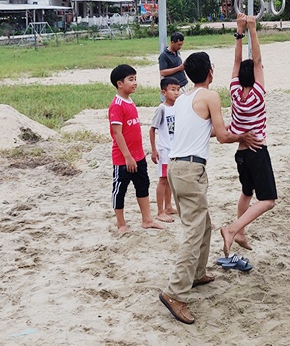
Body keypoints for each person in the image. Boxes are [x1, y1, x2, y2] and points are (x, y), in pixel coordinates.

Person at [159, 51, 261, 325]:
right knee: (194, 232)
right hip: (191, 170)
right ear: (210, 73)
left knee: (203, 224)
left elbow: (208, 130)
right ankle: (175, 293)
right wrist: (243, 135)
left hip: (177, 169)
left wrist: (233, 132)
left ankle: (197, 273)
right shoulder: (210, 96)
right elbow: (223, 136)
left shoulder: (183, 99)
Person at [220, 15, 275, 257]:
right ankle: (233, 229)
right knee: (269, 200)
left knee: (246, 192)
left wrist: (239, 32)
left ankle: (240, 232)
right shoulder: (258, 95)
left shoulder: (234, 92)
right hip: (256, 152)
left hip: (241, 153)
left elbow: (236, 61)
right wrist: (253, 29)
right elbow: (258, 61)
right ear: (254, 76)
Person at [108, 64, 163, 234]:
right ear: (119, 83)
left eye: (135, 79)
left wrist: (138, 155)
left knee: (143, 185)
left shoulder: (130, 101)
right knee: (120, 190)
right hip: (123, 159)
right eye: (130, 79)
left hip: (139, 156)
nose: (135, 83)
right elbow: (117, 133)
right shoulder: (116, 105)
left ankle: (147, 219)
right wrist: (127, 156)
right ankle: (121, 224)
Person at [149, 77, 180, 223]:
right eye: (173, 90)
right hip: (164, 149)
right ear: (164, 92)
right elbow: (152, 129)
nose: (176, 93)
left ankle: (168, 206)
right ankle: (160, 211)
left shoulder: (178, 106)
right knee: (162, 180)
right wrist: (154, 150)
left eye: (178, 89)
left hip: (174, 149)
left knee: (169, 179)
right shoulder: (161, 109)